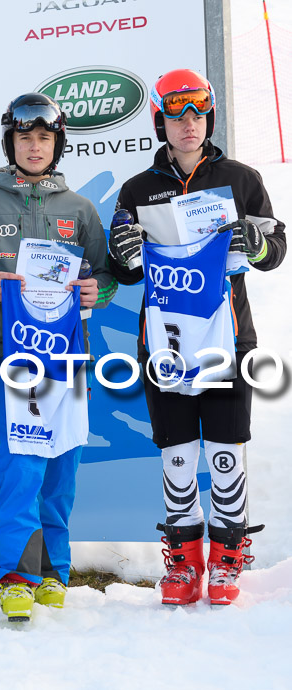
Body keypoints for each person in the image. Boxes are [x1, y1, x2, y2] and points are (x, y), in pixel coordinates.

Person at [108, 69, 286, 606]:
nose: (189, 124)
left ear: (208, 117)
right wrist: (122, 248)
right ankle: (183, 563)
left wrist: (254, 242)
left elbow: (276, 255)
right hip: (164, 343)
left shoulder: (241, 178)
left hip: (227, 338)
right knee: (178, 452)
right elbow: (131, 271)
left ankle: (228, 558)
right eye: (177, 114)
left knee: (226, 449)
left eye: (198, 113)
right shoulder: (138, 188)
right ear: (160, 120)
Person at [0, 92, 116, 621]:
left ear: (57, 144)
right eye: (24, 137)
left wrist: (100, 292)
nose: (34, 147)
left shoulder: (80, 208)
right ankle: (13, 574)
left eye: (44, 138)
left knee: (61, 464)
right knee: (21, 462)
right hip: (9, 356)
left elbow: (107, 271)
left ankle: (53, 570)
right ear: (10, 142)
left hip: (67, 359)